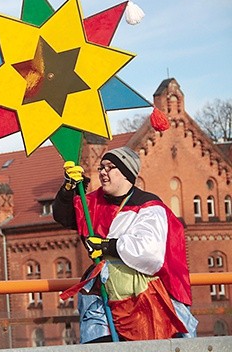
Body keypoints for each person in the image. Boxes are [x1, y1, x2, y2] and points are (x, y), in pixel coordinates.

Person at [52, 146, 198, 343]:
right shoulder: (95, 202)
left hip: (142, 301)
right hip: (101, 298)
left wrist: (107, 246)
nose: (103, 172)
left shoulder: (149, 206)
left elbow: (150, 251)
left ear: (127, 173)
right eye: (101, 167)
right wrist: (69, 188)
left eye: (110, 167)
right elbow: (65, 216)